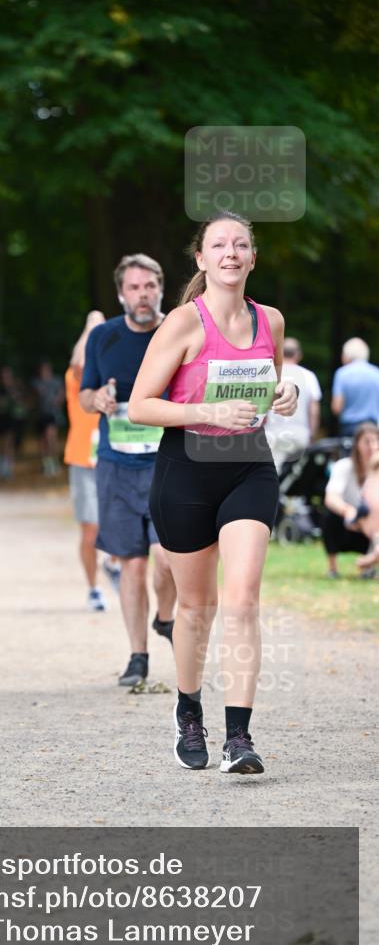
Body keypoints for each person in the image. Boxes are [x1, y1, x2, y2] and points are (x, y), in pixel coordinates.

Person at [128, 211, 298, 775]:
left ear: (253, 257)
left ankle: (240, 738)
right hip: (186, 472)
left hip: (249, 466)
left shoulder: (269, 320)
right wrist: (207, 411)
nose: (231, 253)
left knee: (243, 599)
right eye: (218, 245)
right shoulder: (182, 323)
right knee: (197, 608)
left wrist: (287, 393)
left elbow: (273, 382)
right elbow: (141, 405)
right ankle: (188, 710)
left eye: (241, 244)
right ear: (201, 259)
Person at [80, 254, 177, 687]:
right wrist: (97, 398)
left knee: (169, 558)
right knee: (132, 565)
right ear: (121, 293)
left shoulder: (178, 329)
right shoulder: (103, 336)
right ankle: (138, 655)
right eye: (134, 288)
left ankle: (165, 616)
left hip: (169, 463)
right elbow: (84, 395)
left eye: (150, 286)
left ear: (160, 287)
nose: (143, 294)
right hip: (117, 465)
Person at [65, 310, 108, 612]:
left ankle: (116, 563)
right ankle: (93, 587)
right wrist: (92, 326)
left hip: (114, 454)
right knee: (90, 528)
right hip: (83, 458)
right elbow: (80, 361)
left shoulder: (115, 371)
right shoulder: (77, 375)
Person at [322, 422, 379, 577]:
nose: (372, 447)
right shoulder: (344, 466)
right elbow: (331, 497)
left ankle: (370, 567)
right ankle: (332, 568)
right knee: (329, 516)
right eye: (367, 441)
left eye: (376, 441)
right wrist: (348, 511)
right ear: (357, 445)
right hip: (347, 523)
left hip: (372, 527)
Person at [264, 337, 322, 472]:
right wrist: (312, 435)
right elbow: (314, 411)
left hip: (273, 433)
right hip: (299, 434)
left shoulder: (271, 374)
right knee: (294, 475)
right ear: (298, 355)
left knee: (273, 472)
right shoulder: (309, 376)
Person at [331, 338, 379, 436]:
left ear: (348, 355)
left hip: (350, 428)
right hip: (372, 427)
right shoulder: (376, 373)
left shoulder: (342, 373)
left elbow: (337, 407)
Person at [33, 361, 65, 477]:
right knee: (43, 441)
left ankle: (54, 461)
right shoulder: (37, 383)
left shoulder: (56, 381)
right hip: (41, 414)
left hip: (53, 415)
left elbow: (63, 393)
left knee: (51, 438)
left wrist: (58, 400)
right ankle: (46, 464)